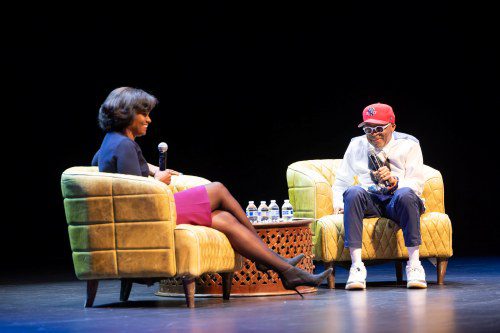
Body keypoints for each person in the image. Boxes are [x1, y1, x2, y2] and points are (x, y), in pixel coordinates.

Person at [91, 87, 332, 296]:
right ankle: (268, 258)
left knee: (224, 218)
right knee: (217, 189)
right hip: (152, 216)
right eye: (143, 114)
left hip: (154, 212)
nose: (148, 120)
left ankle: (285, 271)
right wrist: (159, 180)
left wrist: (152, 170)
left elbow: (107, 167)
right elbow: (137, 197)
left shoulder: (112, 142)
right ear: (126, 114)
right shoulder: (124, 145)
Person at [332, 102, 427, 290]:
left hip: (398, 200)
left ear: (392, 126)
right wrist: (338, 204)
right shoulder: (356, 145)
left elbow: (417, 184)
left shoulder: (409, 144)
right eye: (368, 129)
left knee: (406, 194)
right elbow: (342, 181)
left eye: (378, 128)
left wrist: (395, 182)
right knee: (352, 192)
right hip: (372, 200)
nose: (373, 134)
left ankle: (414, 265)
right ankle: (357, 266)